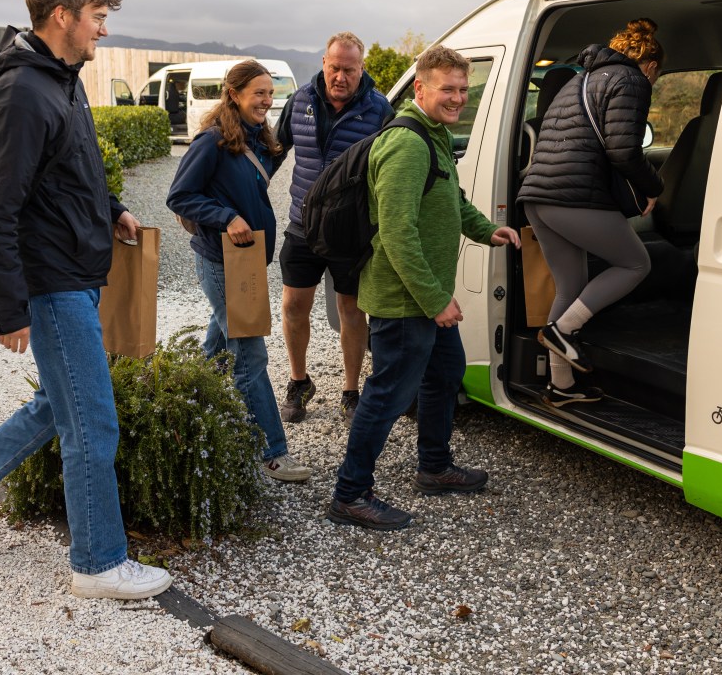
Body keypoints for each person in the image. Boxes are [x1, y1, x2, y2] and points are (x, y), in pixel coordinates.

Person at [0, 0, 172, 599]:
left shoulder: (63, 80)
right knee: (93, 421)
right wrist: (9, 309)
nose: (102, 31)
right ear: (63, 16)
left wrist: (112, 210)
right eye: (98, 19)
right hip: (51, 283)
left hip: (77, 272)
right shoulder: (25, 91)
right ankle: (99, 562)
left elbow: (72, 168)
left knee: (58, 406)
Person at [327, 46, 521, 530]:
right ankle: (350, 494)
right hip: (405, 299)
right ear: (420, 88)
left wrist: (485, 230)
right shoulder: (407, 144)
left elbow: (450, 199)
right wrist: (436, 301)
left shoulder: (434, 136)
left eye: (462, 89)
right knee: (388, 394)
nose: (457, 98)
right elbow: (396, 232)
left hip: (427, 297)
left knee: (446, 371)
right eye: (447, 89)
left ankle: (434, 467)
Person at [167, 60, 312, 483]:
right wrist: (226, 216)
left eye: (270, 93)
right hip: (220, 261)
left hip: (246, 263)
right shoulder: (212, 142)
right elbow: (179, 196)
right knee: (249, 353)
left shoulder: (258, 139)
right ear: (233, 94)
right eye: (258, 93)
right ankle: (272, 453)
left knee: (218, 346)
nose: (266, 101)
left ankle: (183, 410)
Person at [517, 18, 665, 409]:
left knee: (570, 285)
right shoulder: (631, 80)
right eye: (658, 74)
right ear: (650, 65)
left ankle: (561, 386)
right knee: (635, 264)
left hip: (537, 198)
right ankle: (564, 331)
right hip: (574, 199)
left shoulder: (578, 80)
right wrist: (654, 188)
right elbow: (623, 151)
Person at [277, 32, 393, 427]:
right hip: (301, 223)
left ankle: (350, 390)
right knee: (294, 305)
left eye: (349, 69)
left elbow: (390, 169)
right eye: (334, 67)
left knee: (350, 309)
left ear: (362, 69)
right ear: (324, 63)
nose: (340, 76)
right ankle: (298, 381)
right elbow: (272, 152)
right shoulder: (300, 102)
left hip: (348, 230)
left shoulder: (379, 110)